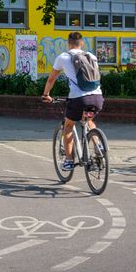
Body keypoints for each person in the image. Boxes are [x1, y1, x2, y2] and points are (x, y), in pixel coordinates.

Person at [42, 31, 104, 171]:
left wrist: (46, 94)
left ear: (68, 43)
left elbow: (51, 79)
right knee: (89, 120)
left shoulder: (63, 57)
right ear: (81, 43)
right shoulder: (91, 56)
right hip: (97, 97)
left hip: (78, 99)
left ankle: (69, 161)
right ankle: (99, 145)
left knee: (68, 126)